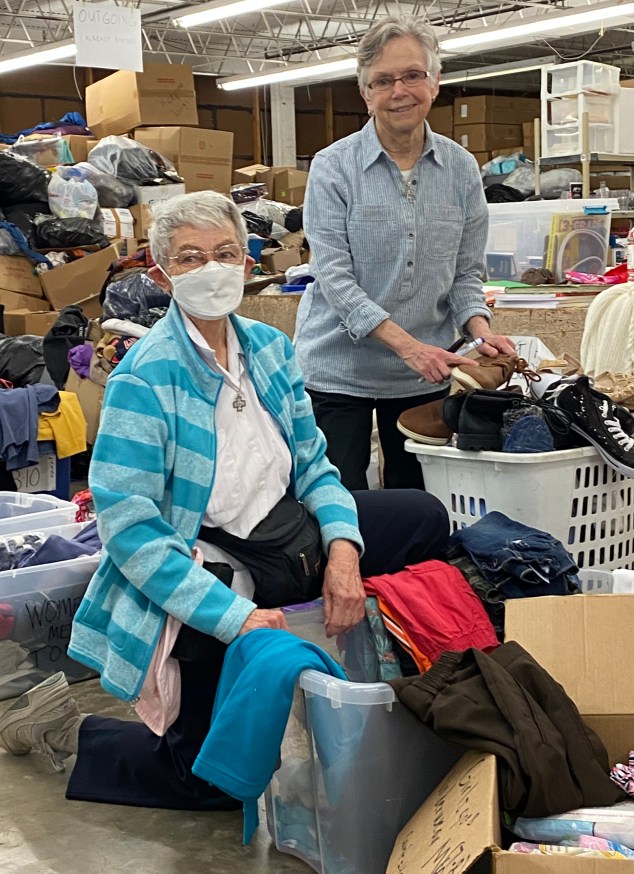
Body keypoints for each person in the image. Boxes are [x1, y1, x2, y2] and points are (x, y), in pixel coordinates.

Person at [0, 190, 450, 813]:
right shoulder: (145, 378)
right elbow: (129, 529)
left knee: (425, 518)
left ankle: (380, 663)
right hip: (214, 563)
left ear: (246, 262)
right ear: (161, 275)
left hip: (287, 538)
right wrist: (232, 618)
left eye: (225, 252)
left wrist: (344, 552)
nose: (212, 269)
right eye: (190, 258)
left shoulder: (269, 348)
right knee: (213, 780)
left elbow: (316, 466)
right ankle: (66, 729)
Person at [294, 15, 515, 491]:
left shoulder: (460, 169)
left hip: (423, 374)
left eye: (413, 75)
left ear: (434, 83)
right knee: (338, 502)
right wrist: (408, 347)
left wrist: (479, 332)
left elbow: (465, 275)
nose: (400, 90)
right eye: (383, 80)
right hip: (339, 372)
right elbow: (333, 278)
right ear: (366, 93)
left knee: (417, 503)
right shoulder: (333, 168)